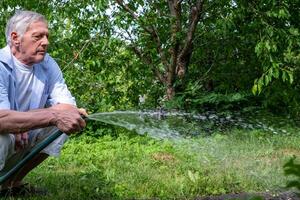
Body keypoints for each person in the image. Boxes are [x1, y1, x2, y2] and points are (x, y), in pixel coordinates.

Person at [0, 10, 87, 195]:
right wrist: (48, 115)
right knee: (2, 136)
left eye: (47, 36)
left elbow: (67, 106)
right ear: (16, 38)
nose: (46, 42)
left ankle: (11, 184)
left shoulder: (47, 63)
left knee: (59, 127)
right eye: (38, 36)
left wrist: (20, 122)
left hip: (19, 134)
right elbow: (1, 119)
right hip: (5, 135)